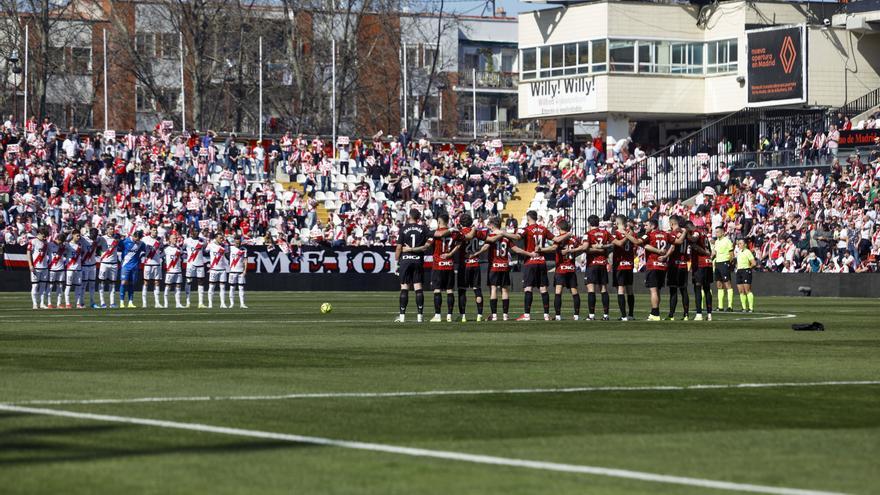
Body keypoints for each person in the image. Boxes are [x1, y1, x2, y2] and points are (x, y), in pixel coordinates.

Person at [511, 210, 555, 321]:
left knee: (528, 288)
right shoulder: (543, 229)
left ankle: (526, 315)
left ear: (528, 218)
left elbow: (517, 237)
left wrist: (504, 233)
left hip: (530, 262)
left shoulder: (527, 230)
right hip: (541, 261)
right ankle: (546, 315)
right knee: (543, 289)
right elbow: (555, 240)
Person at [394, 208, 432, 323]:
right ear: (418, 218)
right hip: (417, 260)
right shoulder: (423, 229)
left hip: (405, 260)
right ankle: (420, 316)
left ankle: (402, 317)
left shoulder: (403, 229)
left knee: (404, 288)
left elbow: (399, 247)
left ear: (409, 216)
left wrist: (397, 261)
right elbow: (430, 242)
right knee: (418, 288)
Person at [633, 219, 673, 321]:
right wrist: (666, 255)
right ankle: (655, 312)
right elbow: (675, 243)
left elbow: (637, 242)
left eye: (646, 225)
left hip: (653, 265)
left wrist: (628, 234)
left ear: (653, 226)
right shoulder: (665, 234)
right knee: (657, 290)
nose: (645, 227)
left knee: (653, 290)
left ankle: (655, 314)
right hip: (662, 265)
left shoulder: (649, 235)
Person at [427, 213, 462, 322]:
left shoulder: (435, 233)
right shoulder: (454, 232)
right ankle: (449, 316)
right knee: (449, 290)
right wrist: (450, 254)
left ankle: (438, 315)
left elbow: (427, 245)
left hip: (438, 264)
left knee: (437, 290)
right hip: (449, 265)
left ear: (439, 221)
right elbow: (460, 243)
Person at [546, 219, 581, 321]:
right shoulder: (574, 239)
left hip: (561, 269)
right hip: (571, 268)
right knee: (574, 292)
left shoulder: (559, 238)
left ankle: (557, 316)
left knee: (558, 292)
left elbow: (553, 247)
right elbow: (582, 248)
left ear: (559, 228)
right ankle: (576, 316)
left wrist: (541, 250)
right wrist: (572, 251)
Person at [457, 214, 487, 322]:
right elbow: (488, 239)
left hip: (464, 265)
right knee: (477, 289)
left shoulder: (460, 233)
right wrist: (477, 253)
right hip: (475, 263)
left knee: (462, 291)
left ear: (461, 222)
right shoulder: (477, 232)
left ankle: (463, 316)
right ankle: (479, 316)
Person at [582, 215, 612, 321]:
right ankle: (606, 315)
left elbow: (585, 249)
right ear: (598, 223)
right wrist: (602, 248)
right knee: (603, 289)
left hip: (592, 264)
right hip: (602, 264)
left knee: (591, 290)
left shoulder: (588, 234)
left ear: (589, 223)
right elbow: (613, 243)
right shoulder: (605, 233)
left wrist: (594, 248)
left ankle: (591, 315)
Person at [485, 217, 513, 321]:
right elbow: (515, 249)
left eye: (489, 225)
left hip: (494, 266)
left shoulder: (491, 236)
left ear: (492, 225)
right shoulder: (506, 237)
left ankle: (494, 315)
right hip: (504, 266)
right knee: (504, 289)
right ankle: (505, 315)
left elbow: (485, 247)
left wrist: (477, 253)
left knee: (493, 289)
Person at [686, 221, 714, 321]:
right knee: (707, 288)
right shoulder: (704, 234)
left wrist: (688, 236)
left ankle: (699, 314)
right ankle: (710, 314)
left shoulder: (696, 232)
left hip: (700, 264)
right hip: (708, 263)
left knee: (697, 288)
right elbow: (709, 250)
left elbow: (694, 238)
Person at [610, 215, 636, 321]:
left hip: (620, 265)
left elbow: (619, 243)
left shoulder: (615, 233)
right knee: (629, 288)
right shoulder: (631, 233)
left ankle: (624, 315)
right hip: (629, 264)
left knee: (621, 289)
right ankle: (631, 314)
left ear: (617, 222)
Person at [665, 215, 691, 321]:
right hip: (684, 264)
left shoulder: (673, 233)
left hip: (674, 265)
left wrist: (665, 256)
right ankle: (686, 315)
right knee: (684, 290)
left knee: (673, 290)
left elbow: (672, 247)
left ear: (672, 223)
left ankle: (671, 315)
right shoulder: (686, 233)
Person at [119, 231, 146, 308]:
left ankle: (130, 302)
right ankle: (122, 302)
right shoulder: (125, 241)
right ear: (134, 236)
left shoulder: (141, 244)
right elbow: (118, 247)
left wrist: (141, 256)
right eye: (136, 239)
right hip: (125, 266)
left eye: (139, 239)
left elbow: (145, 251)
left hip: (135, 266)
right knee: (123, 282)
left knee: (132, 284)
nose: (137, 241)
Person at [712, 226, 735, 312]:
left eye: (718, 232)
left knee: (727, 284)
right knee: (719, 284)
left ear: (722, 232)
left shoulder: (727, 241)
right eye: (716, 232)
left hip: (725, 263)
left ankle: (730, 306)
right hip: (717, 263)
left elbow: (731, 254)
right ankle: (720, 306)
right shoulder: (717, 242)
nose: (716, 233)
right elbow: (715, 253)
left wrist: (729, 263)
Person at [96, 226, 120, 308]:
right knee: (102, 282)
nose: (112, 230)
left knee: (112, 283)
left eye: (112, 229)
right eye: (110, 228)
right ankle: (102, 302)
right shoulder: (102, 238)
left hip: (114, 263)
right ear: (106, 230)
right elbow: (96, 244)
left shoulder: (116, 239)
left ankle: (112, 302)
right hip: (104, 263)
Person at [27, 227, 50, 310]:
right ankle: (35, 304)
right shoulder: (32, 241)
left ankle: (42, 303)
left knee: (43, 286)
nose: (45, 238)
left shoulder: (45, 243)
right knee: (35, 285)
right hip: (36, 267)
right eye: (44, 236)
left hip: (45, 267)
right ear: (39, 234)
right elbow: (28, 253)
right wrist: (30, 265)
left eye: (46, 236)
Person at [141, 226, 164, 308]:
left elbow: (162, 250)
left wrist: (160, 256)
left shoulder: (160, 239)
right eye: (154, 230)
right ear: (150, 230)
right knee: (146, 282)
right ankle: (144, 303)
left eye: (156, 230)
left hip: (157, 263)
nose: (155, 232)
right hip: (148, 263)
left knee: (157, 282)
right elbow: (142, 249)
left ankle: (157, 303)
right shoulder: (145, 239)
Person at [184, 229, 208, 308]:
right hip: (191, 264)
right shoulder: (187, 241)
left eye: (197, 231)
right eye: (194, 231)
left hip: (200, 263)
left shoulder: (203, 240)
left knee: (201, 282)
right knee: (188, 281)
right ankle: (188, 302)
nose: (196, 232)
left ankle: (200, 303)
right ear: (191, 232)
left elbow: (205, 247)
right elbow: (182, 249)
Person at [206, 233, 230, 309]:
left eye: (222, 238)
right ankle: (210, 304)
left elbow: (227, 255)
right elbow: (205, 251)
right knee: (211, 286)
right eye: (220, 238)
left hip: (222, 269)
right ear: (216, 238)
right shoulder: (211, 245)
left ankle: (222, 303)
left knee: (222, 287)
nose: (222, 239)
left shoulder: (224, 246)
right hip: (213, 269)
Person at [163, 233, 184, 309]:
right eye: (174, 238)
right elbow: (161, 256)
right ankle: (166, 304)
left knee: (178, 286)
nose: (175, 240)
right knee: (168, 286)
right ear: (170, 240)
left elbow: (183, 256)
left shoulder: (179, 249)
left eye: (176, 238)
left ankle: (178, 303)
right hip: (170, 271)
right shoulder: (166, 249)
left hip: (178, 270)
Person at [64, 230, 84, 309]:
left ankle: (78, 303)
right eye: (77, 236)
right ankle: (67, 303)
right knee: (68, 286)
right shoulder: (68, 244)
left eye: (79, 236)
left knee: (78, 286)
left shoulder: (80, 244)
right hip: (70, 268)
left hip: (78, 268)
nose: (78, 237)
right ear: (73, 235)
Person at [735, 238, 756, 313]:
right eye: (739, 243)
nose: (739, 245)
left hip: (746, 270)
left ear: (745, 244)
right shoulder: (739, 252)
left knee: (747, 290)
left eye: (741, 243)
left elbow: (753, 263)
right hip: (739, 271)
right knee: (740, 290)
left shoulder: (748, 252)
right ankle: (744, 308)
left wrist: (748, 268)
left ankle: (750, 308)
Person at [228, 235, 249, 309]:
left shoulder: (244, 249)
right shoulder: (230, 248)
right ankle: (232, 304)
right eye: (236, 239)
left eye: (239, 239)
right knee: (232, 288)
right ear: (234, 240)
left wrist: (245, 270)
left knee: (241, 288)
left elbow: (245, 260)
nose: (237, 241)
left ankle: (242, 304)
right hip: (232, 271)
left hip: (240, 271)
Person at [81, 228, 99, 308]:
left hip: (93, 265)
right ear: (90, 233)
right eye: (94, 235)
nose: (95, 237)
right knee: (84, 284)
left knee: (92, 284)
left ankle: (92, 302)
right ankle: (82, 302)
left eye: (96, 235)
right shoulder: (84, 239)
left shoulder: (97, 240)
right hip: (85, 265)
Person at [47, 234, 66, 308]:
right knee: (50, 286)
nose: (60, 242)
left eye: (61, 241)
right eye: (59, 241)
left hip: (61, 268)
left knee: (60, 287)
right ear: (57, 238)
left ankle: (59, 303)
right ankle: (49, 303)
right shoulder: (49, 244)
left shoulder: (63, 245)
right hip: (52, 268)